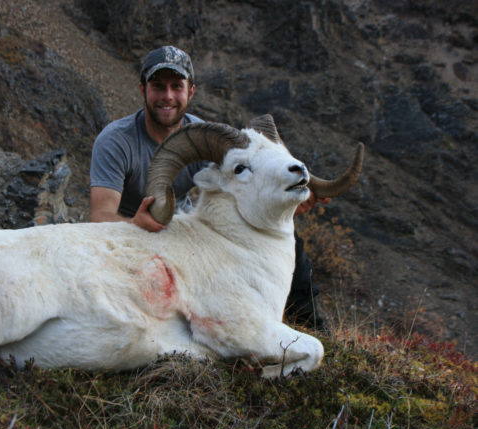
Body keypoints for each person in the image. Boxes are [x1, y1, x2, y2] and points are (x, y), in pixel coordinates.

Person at [89, 46, 327, 329]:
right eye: (158, 86)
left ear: (190, 92)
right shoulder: (117, 141)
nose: (167, 96)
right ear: (143, 89)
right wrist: (133, 224)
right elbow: (100, 216)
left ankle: (308, 325)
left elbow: (241, 191)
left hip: (185, 235)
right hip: (128, 236)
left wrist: (283, 201)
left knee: (286, 243)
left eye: (176, 86)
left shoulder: (204, 137)